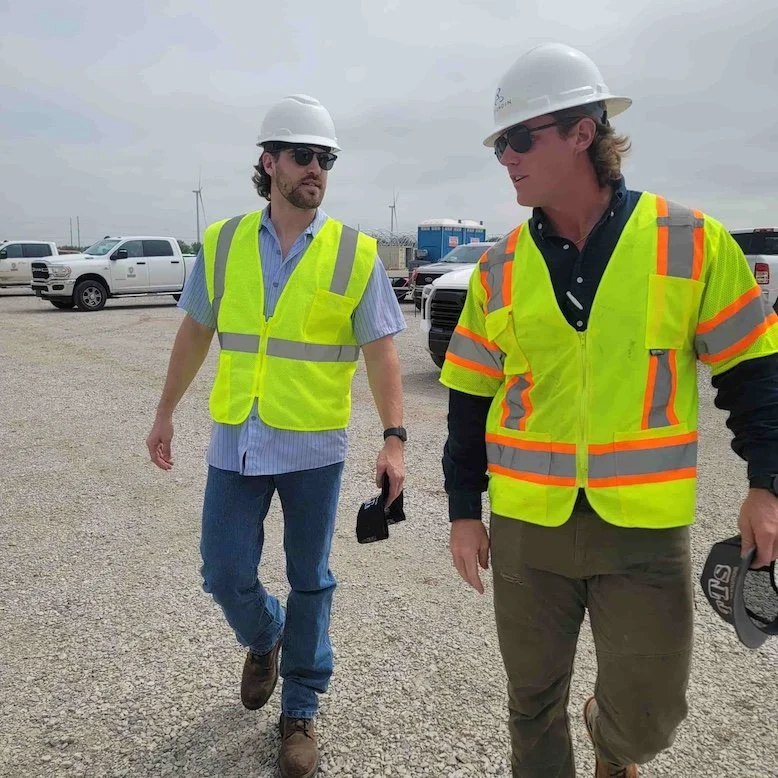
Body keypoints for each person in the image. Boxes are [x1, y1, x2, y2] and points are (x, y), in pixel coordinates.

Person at [440, 42, 778, 778]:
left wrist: (768, 481)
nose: (507, 157)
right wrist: (464, 508)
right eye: (501, 143)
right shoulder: (498, 268)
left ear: (583, 132)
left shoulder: (689, 242)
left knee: (651, 716)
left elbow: (755, 371)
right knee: (531, 701)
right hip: (530, 528)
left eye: (520, 138)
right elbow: (469, 397)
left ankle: (612, 739)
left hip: (644, 531)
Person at [146, 93, 407, 778]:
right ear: (269, 161)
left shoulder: (356, 252)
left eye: (326, 158)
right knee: (223, 570)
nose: (316, 167)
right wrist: (166, 409)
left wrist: (395, 437)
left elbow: (381, 349)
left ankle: (301, 708)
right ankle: (266, 637)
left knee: (310, 579)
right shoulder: (226, 242)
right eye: (303, 155)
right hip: (238, 439)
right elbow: (197, 329)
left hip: (313, 448)